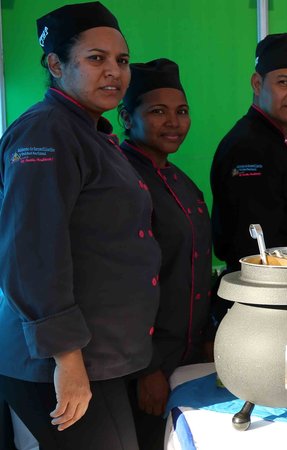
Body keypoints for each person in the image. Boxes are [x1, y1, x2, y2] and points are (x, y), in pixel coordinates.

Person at [0, 3, 160, 449]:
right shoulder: (46, 132)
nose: (114, 72)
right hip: (56, 361)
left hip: (93, 357)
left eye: (122, 61)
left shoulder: (90, 132)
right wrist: (67, 361)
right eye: (96, 58)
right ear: (55, 65)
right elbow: (31, 255)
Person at [118, 58, 212, 449]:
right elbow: (122, 285)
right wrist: (148, 368)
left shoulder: (183, 183)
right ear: (126, 116)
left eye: (182, 111)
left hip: (188, 356)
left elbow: (196, 270)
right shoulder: (120, 180)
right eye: (158, 111)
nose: (174, 122)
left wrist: (206, 338)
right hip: (142, 366)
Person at [210, 33, 287, 271]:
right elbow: (253, 249)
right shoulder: (248, 148)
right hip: (269, 296)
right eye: (284, 82)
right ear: (257, 83)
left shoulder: (279, 142)